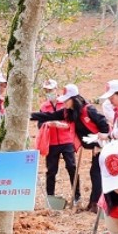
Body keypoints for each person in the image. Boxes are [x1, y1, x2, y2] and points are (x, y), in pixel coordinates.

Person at [31, 84, 111, 212]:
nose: (64, 102)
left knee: (96, 173)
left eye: (66, 100)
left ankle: (96, 204)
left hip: (103, 144)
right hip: (92, 144)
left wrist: (100, 144)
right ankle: (93, 203)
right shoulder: (69, 112)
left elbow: (104, 124)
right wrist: (29, 116)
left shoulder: (88, 110)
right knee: (94, 172)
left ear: (74, 99)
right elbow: (49, 116)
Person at [36, 78, 80, 206]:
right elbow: (40, 124)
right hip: (52, 142)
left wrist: (63, 125)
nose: (49, 92)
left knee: (71, 167)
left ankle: (77, 195)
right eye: (46, 90)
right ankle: (50, 198)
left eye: (50, 90)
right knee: (51, 170)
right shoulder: (44, 107)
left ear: (56, 89)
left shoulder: (65, 103)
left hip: (67, 140)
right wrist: (48, 123)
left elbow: (73, 120)